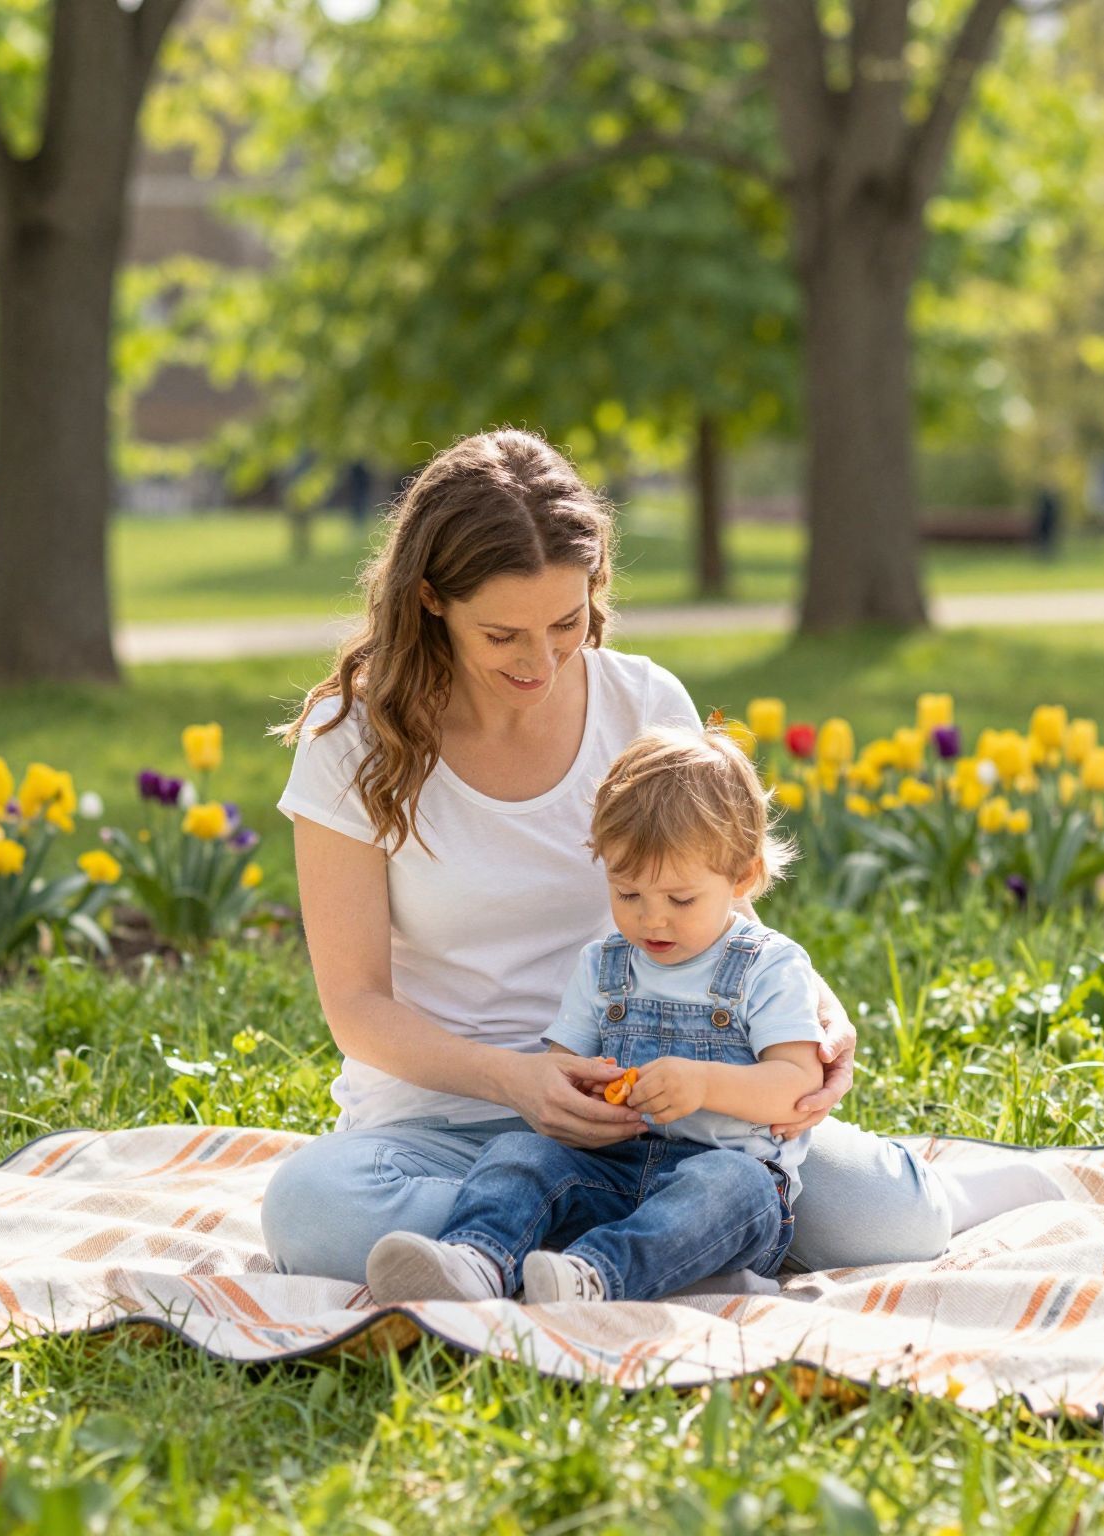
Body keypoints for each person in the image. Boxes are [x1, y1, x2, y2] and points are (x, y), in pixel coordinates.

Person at [259, 427, 953, 1285]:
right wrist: (517, 1082)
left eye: (566, 622)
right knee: (311, 1211)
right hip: (445, 1121)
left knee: (891, 1219)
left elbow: (717, 908)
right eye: (503, 635)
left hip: (672, 1104)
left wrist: (812, 1006)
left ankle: (527, 1249)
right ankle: (654, 1244)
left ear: (596, 586)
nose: (542, 661)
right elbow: (357, 1005)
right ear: (432, 599)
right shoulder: (351, 743)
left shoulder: (645, 701)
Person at [366, 727, 823, 1304]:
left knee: (729, 1187)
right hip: (611, 1168)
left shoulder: (767, 965)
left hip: (726, 1176)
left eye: (680, 900)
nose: (652, 921)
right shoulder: (605, 966)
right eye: (627, 894)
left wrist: (702, 1082)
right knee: (520, 1154)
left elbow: (797, 1088)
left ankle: (594, 1276)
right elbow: (563, 1068)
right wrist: (584, 1090)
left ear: (743, 878)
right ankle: (476, 1260)